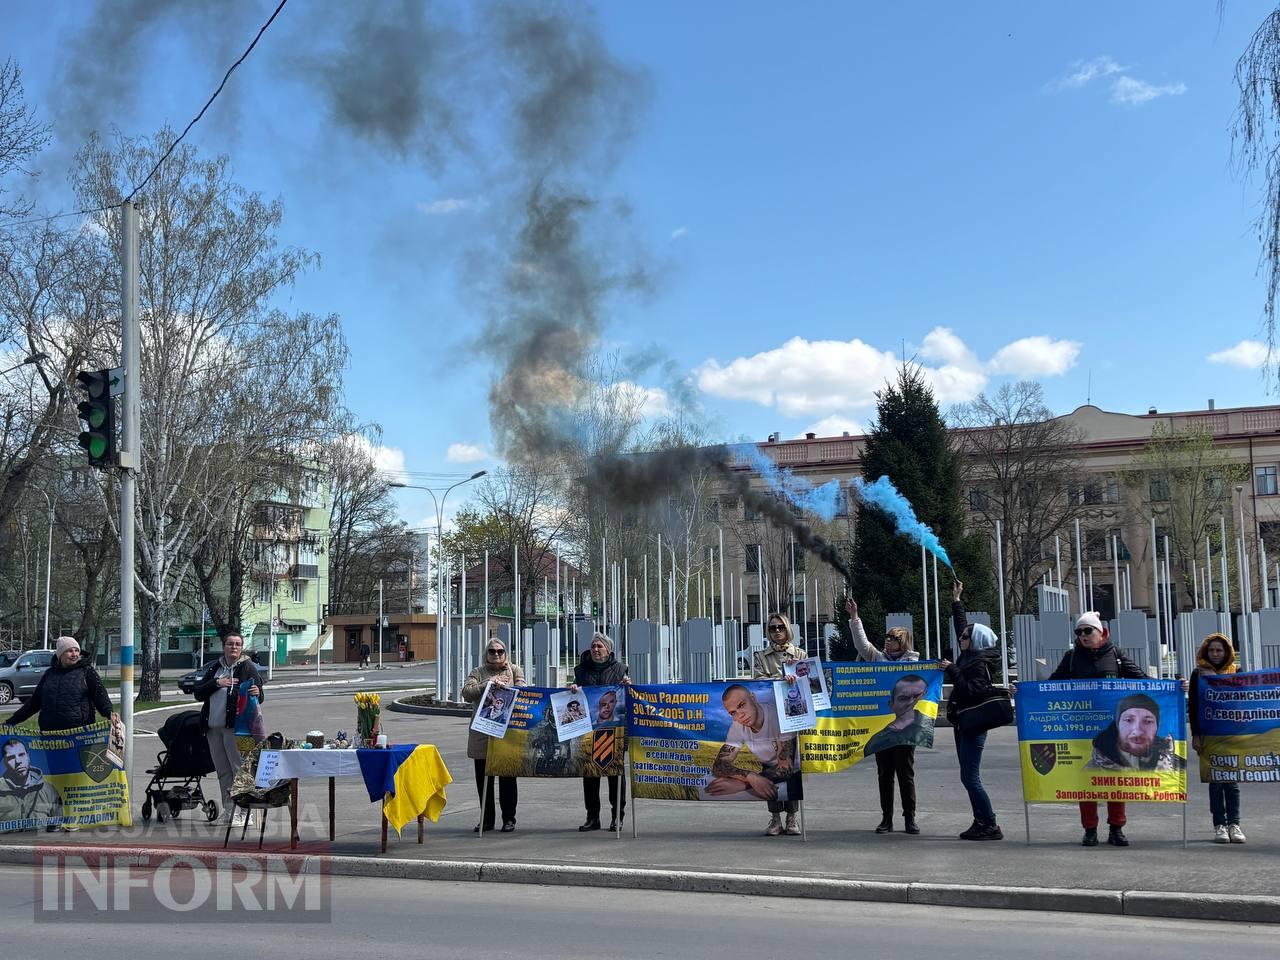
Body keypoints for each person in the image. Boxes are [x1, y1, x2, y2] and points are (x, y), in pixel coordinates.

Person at [1045, 610, 1185, 847]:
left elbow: (1142, 680)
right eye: (1078, 632)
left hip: (1114, 729)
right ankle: (1089, 829)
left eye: (1087, 631)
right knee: (1086, 782)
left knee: (1116, 780)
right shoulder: (1071, 658)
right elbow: (1049, 687)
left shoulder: (1116, 655)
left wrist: (1173, 687)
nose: (1083, 636)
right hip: (1081, 727)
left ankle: (1116, 828)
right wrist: (1023, 693)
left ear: (1102, 632)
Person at [846, 597, 922, 834]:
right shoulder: (878, 659)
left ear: (904, 642)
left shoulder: (914, 664)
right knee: (884, 774)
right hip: (881, 727)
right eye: (887, 638)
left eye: (893, 639)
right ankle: (886, 818)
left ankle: (910, 818)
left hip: (905, 727)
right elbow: (862, 645)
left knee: (906, 774)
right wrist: (854, 617)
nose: (888, 642)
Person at [941, 581, 1003, 841]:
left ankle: (989, 823)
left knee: (971, 777)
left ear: (975, 641)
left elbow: (971, 691)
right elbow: (962, 626)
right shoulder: (971, 655)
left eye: (965, 637)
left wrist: (951, 670)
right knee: (967, 776)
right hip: (963, 723)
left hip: (973, 725)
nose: (960, 638)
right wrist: (957, 600)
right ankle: (981, 820)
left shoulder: (978, 664)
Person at [193, 633, 265, 828]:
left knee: (239, 770)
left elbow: (259, 693)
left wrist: (258, 691)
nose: (234, 647)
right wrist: (217, 683)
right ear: (223, 646)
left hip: (236, 728)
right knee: (223, 772)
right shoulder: (216, 667)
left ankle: (245, 812)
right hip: (213, 728)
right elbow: (198, 692)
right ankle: (229, 810)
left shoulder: (247, 667)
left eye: (238, 644)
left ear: (241, 648)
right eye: (230, 644)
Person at [749, 613, 804, 836]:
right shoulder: (761, 656)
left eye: (781, 627)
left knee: (791, 767)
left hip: (791, 719)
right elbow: (758, 684)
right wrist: (781, 678)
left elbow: (808, 684)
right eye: (772, 628)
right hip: (770, 719)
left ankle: (791, 817)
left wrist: (795, 678)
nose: (777, 631)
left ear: (788, 629)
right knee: (769, 767)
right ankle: (774, 817)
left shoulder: (799, 654)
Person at [706, 685, 799, 817]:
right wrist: (751, 777)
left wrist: (743, 784)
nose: (740, 715)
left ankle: (792, 818)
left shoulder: (778, 717)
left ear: (753, 698)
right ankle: (776, 820)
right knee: (768, 790)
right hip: (767, 765)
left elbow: (786, 768)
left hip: (794, 768)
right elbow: (719, 765)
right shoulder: (738, 725)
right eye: (733, 712)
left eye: (742, 705)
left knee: (789, 789)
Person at [569, 633, 630, 831]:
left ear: (609, 650)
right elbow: (575, 695)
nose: (595, 650)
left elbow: (629, 699)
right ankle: (592, 817)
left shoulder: (621, 670)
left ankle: (617, 817)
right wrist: (572, 689)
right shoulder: (581, 671)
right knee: (590, 775)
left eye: (600, 647)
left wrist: (628, 688)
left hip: (614, 730)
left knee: (615, 776)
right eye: (593, 646)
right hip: (589, 730)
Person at [463, 639, 526, 833]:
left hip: (507, 734)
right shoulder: (478, 672)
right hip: (482, 733)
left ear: (506, 653)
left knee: (507, 777)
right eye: (492, 651)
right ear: (486, 654)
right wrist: (488, 684)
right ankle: (487, 820)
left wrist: (507, 687)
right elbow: (467, 693)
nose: (496, 655)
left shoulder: (515, 670)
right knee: (484, 780)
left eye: (500, 651)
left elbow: (523, 691)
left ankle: (509, 819)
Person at [1189, 633, 1245, 844]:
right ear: (1205, 651)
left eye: (1219, 650)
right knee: (1215, 782)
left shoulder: (1237, 672)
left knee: (1232, 782)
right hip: (1209, 734)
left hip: (1231, 734)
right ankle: (1219, 825)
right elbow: (1193, 706)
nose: (1214, 654)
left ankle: (1235, 824)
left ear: (1227, 652)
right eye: (1211, 650)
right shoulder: (1198, 674)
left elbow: (1244, 701)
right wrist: (1196, 735)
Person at [5, 636, 115, 733]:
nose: (74, 654)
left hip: (79, 734)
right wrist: (11, 722)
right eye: (70, 651)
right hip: (50, 735)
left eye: (77, 650)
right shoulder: (49, 674)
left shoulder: (87, 672)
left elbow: (101, 697)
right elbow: (33, 703)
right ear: (60, 654)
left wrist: (111, 715)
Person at [1087, 693, 1185, 772]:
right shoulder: (1094, 769)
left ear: (1157, 727)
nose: (1138, 732)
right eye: (1129, 720)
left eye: (1147, 722)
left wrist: (1180, 686)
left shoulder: (1176, 766)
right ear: (1117, 725)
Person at [0, 738, 63, 829]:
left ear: (28, 757)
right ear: (5, 762)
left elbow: (59, 826)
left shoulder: (48, 789)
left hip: (39, 842)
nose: (18, 761)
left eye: (21, 755)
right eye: (11, 758)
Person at [864, 675, 934, 755]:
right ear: (891, 705)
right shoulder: (877, 740)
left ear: (926, 694)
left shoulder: (925, 723)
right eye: (903, 698)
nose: (911, 702)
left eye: (917, 696)